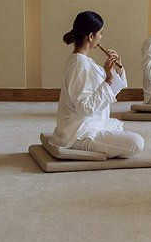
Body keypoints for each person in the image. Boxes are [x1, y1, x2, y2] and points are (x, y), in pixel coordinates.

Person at [50, 10, 144, 158]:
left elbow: (113, 88)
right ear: (91, 36)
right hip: (78, 133)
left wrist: (116, 68)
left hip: (91, 123)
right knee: (136, 142)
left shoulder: (85, 61)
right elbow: (85, 108)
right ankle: (82, 145)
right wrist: (108, 79)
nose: (101, 37)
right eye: (100, 33)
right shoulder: (79, 66)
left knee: (116, 125)